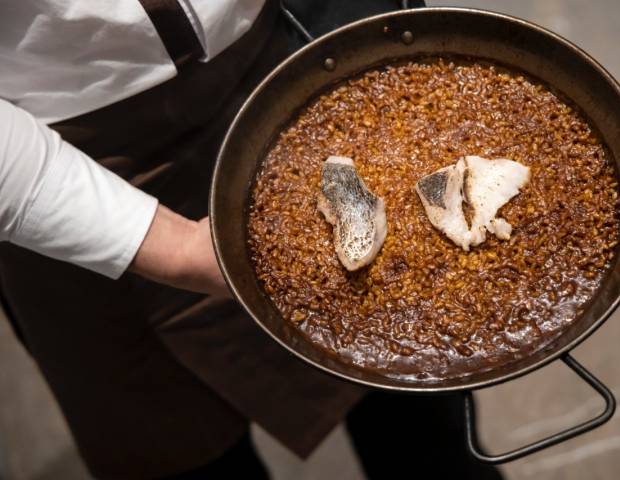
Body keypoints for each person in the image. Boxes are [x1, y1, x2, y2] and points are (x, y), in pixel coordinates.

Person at [0, 1, 503, 478]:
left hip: (271, 64)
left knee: (410, 398)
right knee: (178, 447)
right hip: (51, 166)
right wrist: (166, 245)